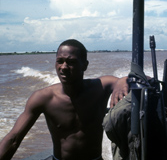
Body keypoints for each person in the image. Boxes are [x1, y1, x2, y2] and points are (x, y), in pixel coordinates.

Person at [0, 39, 129, 160]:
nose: (63, 67)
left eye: (71, 62)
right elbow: (14, 139)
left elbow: (134, 80)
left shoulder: (100, 87)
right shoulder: (43, 98)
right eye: (59, 61)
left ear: (85, 65)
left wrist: (123, 80)